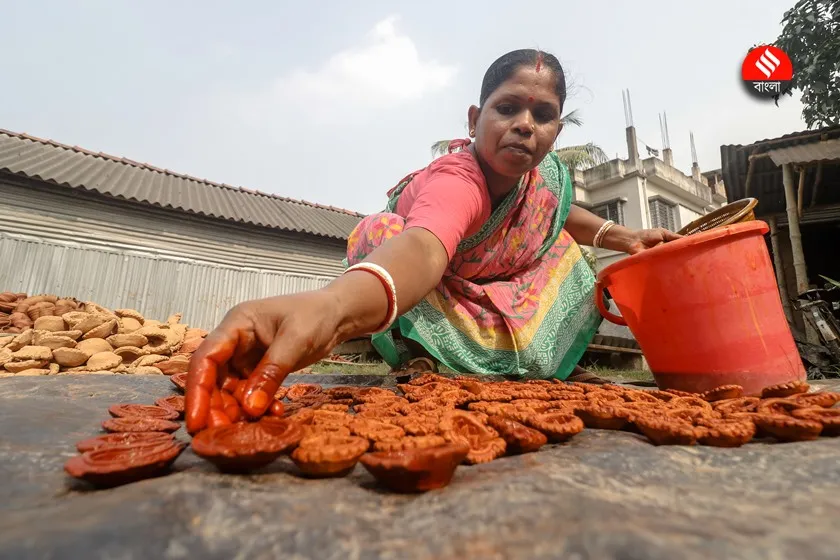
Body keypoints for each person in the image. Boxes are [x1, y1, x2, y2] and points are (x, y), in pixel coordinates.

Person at [185, 48, 680, 434]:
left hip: (493, 290)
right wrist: (332, 310)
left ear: (555, 130)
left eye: (543, 115)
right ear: (473, 119)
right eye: (506, 107)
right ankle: (423, 361)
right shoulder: (456, 180)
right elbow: (423, 247)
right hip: (432, 288)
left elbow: (558, 213)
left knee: (567, 256)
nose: (525, 124)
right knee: (379, 233)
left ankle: (530, 367)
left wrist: (624, 235)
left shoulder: (544, 177)